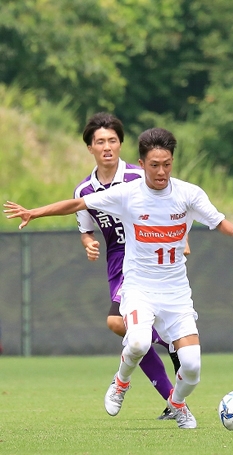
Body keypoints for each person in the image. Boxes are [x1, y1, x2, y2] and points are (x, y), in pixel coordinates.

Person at [4, 127, 233, 429]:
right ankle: (121, 382)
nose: (161, 171)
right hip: (138, 288)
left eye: (167, 164)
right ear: (142, 163)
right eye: (155, 165)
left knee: (193, 367)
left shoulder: (189, 194)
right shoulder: (127, 194)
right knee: (136, 341)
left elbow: (219, 220)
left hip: (176, 293)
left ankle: (177, 405)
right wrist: (35, 212)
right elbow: (79, 204)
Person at [75, 112, 183, 421]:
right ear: (90, 148)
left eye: (112, 140)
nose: (107, 147)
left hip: (145, 257)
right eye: (100, 142)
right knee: (131, 332)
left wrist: (181, 239)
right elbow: (86, 227)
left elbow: (173, 203)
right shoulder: (84, 190)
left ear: (121, 144)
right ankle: (174, 374)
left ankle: (172, 376)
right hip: (115, 262)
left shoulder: (140, 176)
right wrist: (88, 243)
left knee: (118, 324)